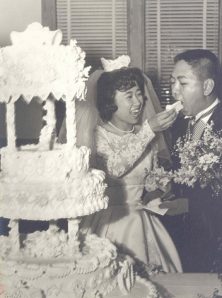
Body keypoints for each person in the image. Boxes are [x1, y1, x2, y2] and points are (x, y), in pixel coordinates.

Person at [70, 66, 182, 273]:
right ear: (110, 101)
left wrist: (160, 188)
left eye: (140, 94)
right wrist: (148, 131)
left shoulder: (146, 134)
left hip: (143, 219)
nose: (138, 102)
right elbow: (114, 168)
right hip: (108, 222)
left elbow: (150, 181)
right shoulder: (97, 136)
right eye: (129, 96)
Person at [160, 49, 222, 272]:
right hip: (188, 236)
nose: (174, 91)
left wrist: (191, 205)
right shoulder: (178, 125)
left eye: (182, 83)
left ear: (207, 87)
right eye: (172, 82)